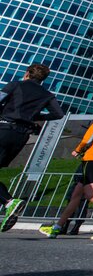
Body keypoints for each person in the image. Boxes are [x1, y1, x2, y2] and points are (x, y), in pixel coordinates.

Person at [39, 106, 93, 238]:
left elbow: (87, 140)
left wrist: (77, 150)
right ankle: (57, 227)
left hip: (92, 159)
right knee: (76, 195)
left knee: (91, 193)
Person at [0, 63, 64, 232]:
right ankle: (8, 203)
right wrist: (36, 116)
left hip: (4, 128)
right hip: (21, 136)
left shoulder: (16, 84)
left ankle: (8, 201)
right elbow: (58, 114)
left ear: (27, 73)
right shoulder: (47, 94)